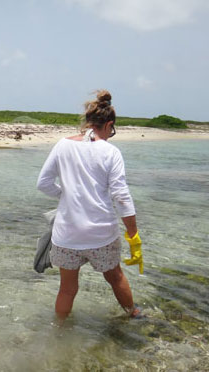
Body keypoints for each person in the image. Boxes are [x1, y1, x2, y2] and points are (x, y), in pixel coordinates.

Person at [37, 90, 141, 321]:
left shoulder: (62, 145)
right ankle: (133, 314)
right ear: (109, 125)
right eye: (111, 131)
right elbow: (121, 196)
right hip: (101, 234)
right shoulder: (110, 152)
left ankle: (60, 331)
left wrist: (66, 196)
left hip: (67, 235)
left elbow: (43, 184)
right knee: (115, 278)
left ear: (88, 122)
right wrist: (133, 234)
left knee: (67, 289)